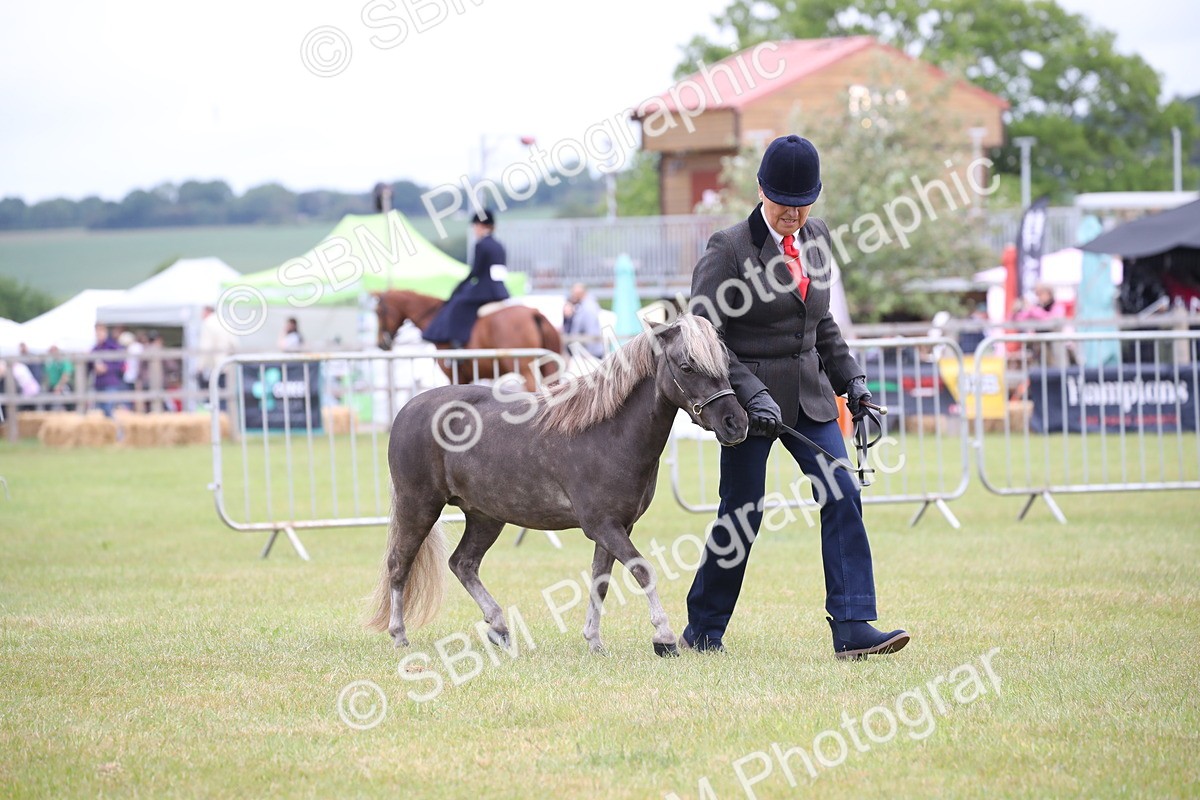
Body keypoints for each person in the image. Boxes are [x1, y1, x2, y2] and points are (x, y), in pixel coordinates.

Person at [681, 134, 909, 660]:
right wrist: (752, 393)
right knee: (742, 512)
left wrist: (852, 381)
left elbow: (820, 323)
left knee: (842, 492)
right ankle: (703, 629)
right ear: (762, 190)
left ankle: (852, 626)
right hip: (748, 406)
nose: (794, 213)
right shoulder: (728, 248)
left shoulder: (818, 237)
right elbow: (704, 335)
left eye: (804, 203)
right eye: (784, 203)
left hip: (810, 395)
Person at [422, 209, 510, 347]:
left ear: (480, 225)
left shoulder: (481, 245)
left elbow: (475, 272)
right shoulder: (499, 245)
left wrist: (459, 286)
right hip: (500, 290)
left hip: (485, 291)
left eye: (475, 226)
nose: (474, 230)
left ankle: (458, 340)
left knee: (458, 304)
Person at [197, 305, 236, 405]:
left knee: (211, 395)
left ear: (206, 311)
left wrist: (200, 367)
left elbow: (206, 347)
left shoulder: (208, 323)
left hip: (214, 367)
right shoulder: (225, 321)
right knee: (226, 395)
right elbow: (234, 344)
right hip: (227, 365)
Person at [89, 323, 125, 417]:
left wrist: (107, 368)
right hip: (99, 383)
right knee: (102, 410)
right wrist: (95, 367)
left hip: (110, 382)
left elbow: (120, 364)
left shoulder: (113, 347)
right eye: (97, 332)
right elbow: (89, 365)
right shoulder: (94, 349)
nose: (99, 334)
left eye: (101, 331)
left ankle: (116, 426)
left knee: (109, 409)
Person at [562, 282, 605, 359]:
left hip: (591, 353)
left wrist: (588, 353)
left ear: (579, 293)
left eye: (573, 293)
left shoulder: (588, 307)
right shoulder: (584, 306)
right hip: (588, 351)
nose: (572, 296)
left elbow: (591, 331)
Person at [43, 344, 75, 411]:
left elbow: (66, 374)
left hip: (64, 385)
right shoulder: (51, 362)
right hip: (53, 386)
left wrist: (59, 386)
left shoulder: (64, 360)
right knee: (47, 405)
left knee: (69, 405)